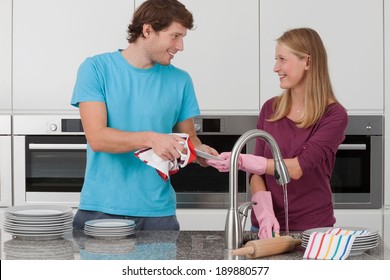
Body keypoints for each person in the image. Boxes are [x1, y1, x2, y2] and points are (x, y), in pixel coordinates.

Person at [71, 0, 216, 231]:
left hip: (159, 213)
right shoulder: (96, 69)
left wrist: (199, 152)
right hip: (102, 209)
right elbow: (97, 138)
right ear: (148, 30)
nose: (180, 46)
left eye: (183, 38)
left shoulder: (181, 80)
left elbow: (189, 137)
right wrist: (151, 138)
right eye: (175, 36)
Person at [207, 28, 348, 239]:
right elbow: (257, 175)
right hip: (266, 229)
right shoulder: (270, 108)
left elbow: (297, 167)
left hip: (313, 231)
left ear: (307, 62)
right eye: (276, 59)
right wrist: (264, 214)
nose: (275, 68)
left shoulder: (334, 115)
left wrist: (243, 160)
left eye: (282, 59)